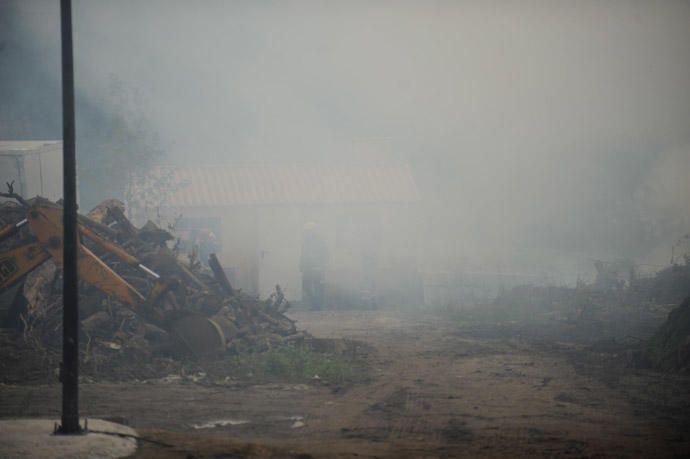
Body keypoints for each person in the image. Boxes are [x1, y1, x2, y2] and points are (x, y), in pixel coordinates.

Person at [300, 222, 328, 310]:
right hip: (307, 267)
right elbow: (303, 254)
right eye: (306, 231)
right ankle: (314, 304)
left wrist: (321, 265)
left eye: (308, 231)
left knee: (318, 287)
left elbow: (325, 254)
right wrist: (301, 264)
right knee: (306, 285)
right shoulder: (306, 242)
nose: (306, 233)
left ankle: (318, 306)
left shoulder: (319, 241)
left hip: (317, 268)